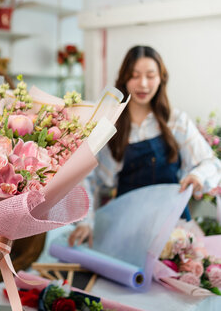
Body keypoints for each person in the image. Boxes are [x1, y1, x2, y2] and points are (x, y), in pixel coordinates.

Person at [68, 45, 221, 247]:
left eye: (150, 76)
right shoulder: (109, 124)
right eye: (135, 75)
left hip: (173, 229)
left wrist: (197, 176)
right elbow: (88, 176)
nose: (143, 84)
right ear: (124, 79)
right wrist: (86, 222)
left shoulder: (176, 121)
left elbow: (211, 163)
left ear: (161, 79)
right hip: (127, 228)